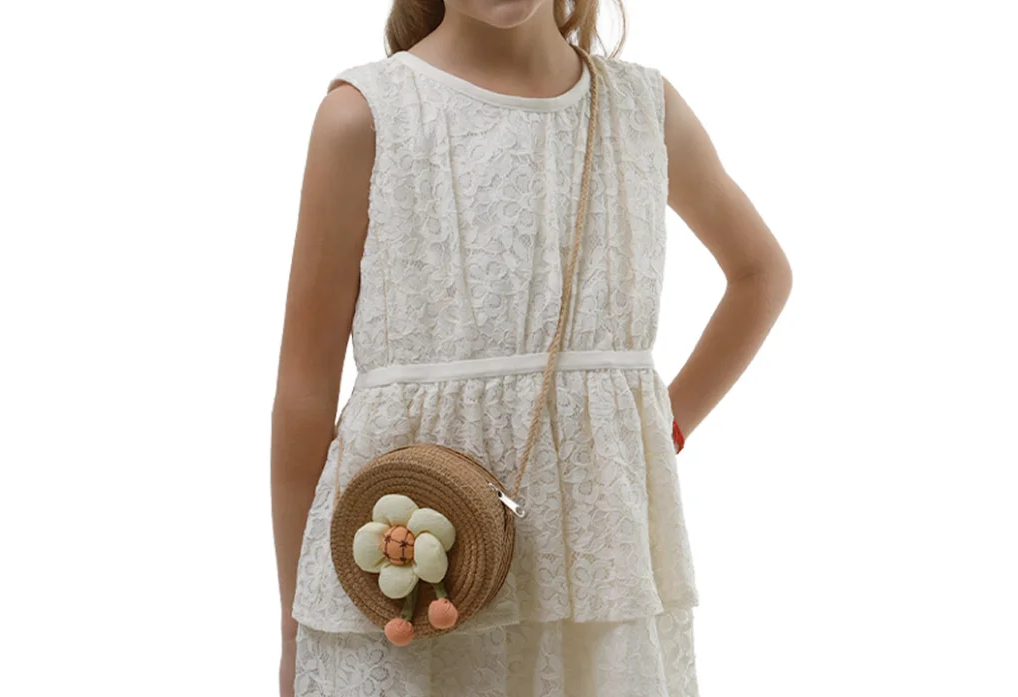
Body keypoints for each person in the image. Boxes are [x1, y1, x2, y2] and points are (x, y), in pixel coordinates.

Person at [271, 1, 792, 694]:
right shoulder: (367, 115)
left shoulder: (642, 110)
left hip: (597, 563)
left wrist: (663, 428)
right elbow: (304, 393)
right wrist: (293, 627)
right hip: (410, 575)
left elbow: (760, 274)